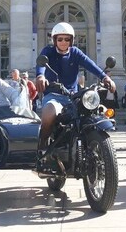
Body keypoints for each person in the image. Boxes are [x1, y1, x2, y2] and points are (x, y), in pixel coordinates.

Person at [34, 22, 114, 172]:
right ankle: (43, 145)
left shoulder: (75, 52)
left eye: (66, 39)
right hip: (54, 94)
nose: (63, 42)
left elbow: (90, 64)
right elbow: (41, 64)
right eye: (60, 39)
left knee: (92, 113)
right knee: (50, 110)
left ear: (71, 40)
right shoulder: (49, 51)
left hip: (73, 96)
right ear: (54, 40)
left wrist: (104, 77)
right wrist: (40, 76)